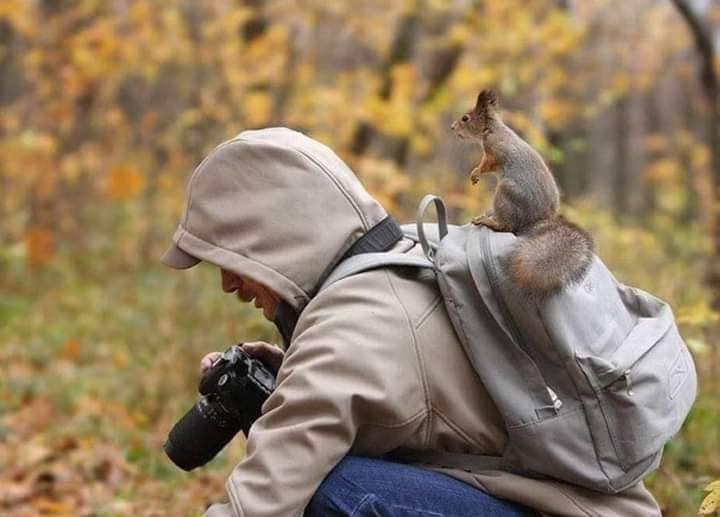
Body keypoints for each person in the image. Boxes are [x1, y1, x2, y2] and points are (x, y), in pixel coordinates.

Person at [161, 127, 661, 516]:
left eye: (231, 260)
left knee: (331, 493)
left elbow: (263, 499)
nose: (229, 283)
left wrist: (303, 380)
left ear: (270, 239)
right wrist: (290, 372)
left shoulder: (351, 329)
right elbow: (411, 390)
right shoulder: (408, 251)